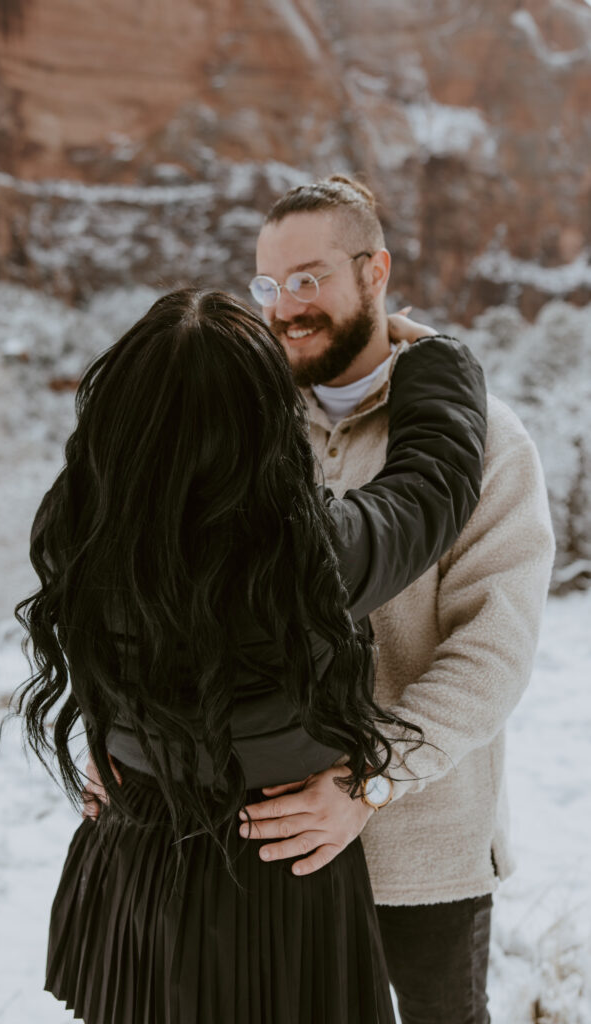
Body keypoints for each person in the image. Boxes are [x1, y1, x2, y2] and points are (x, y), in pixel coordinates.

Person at [15, 286, 487, 1024]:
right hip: (275, 866)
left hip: (138, 841)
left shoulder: (78, 525)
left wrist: (111, 734)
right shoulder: (310, 556)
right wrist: (435, 357)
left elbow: (98, 646)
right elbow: (434, 481)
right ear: (266, 420)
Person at [234, 175, 555, 1024]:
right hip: (276, 840)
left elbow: (494, 649)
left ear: (373, 272)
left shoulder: (486, 439)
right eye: (268, 285)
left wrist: (365, 780)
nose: (285, 307)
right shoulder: (245, 431)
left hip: (425, 849)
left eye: (310, 279)